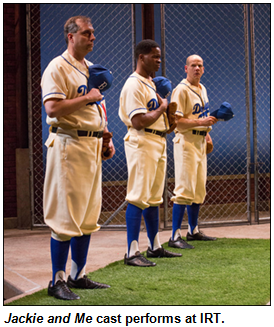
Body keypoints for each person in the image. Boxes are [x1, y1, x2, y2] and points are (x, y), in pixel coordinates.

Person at [41, 16, 115, 300]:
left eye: (93, 33)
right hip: (68, 145)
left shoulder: (90, 69)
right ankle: (56, 281)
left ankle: (78, 274)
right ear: (71, 36)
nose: (92, 37)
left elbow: (97, 109)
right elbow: (52, 108)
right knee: (65, 216)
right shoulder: (57, 67)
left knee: (86, 216)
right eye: (87, 33)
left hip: (92, 146)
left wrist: (105, 137)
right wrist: (87, 98)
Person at [119, 39, 182, 267]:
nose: (159, 60)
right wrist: (162, 108)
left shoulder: (150, 83)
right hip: (142, 140)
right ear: (141, 57)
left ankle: (154, 246)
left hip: (158, 140)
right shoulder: (134, 84)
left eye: (159, 56)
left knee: (154, 198)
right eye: (155, 56)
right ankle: (132, 252)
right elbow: (137, 121)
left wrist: (167, 115)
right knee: (137, 197)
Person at [168, 54, 218, 250]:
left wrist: (207, 134)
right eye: (193, 65)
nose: (197, 68)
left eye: (200, 65)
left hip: (199, 140)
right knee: (184, 189)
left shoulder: (202, 88)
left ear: (203, 69)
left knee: (198, 188)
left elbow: (202, 115)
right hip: (186, 142)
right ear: (185, 68)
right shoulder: (181, 90)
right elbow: (176, 121)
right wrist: (200, 124)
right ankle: (174, 236)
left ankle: (193, 230)